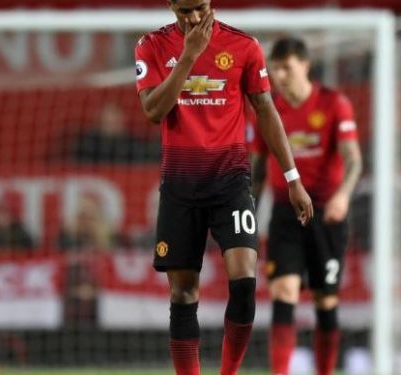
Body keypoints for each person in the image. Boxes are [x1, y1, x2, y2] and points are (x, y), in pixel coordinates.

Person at [134, 1, 314, 374]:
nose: (194, 18)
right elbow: (153, 111)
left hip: (230, 182)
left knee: (245, 280)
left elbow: (266, 111)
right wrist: (188, 57)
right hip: (181, 187)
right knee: (183, 294)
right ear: (170, 5)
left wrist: (292, 178)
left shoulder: (243, 47)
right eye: (184, 10)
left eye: (199, 7)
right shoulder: (150, 46)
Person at [250, 37, 363, 375]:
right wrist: (248, 212)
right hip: (286, 214)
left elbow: (353, 160)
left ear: (305, 65)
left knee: (324, 300)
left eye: (287, 67)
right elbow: (256, 169)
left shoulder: (333, 104)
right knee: (283, 290)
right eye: (276, 68)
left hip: (326, 215)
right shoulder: (269, 111)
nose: (281, 75)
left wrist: (343, 196)